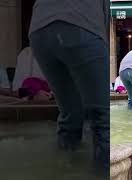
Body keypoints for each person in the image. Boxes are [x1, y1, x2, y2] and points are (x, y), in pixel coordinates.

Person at [29, 0, 109, 174]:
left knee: (70, 113)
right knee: (103, 117)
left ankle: (64, 170)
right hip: (82, 23)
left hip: (39, 28)